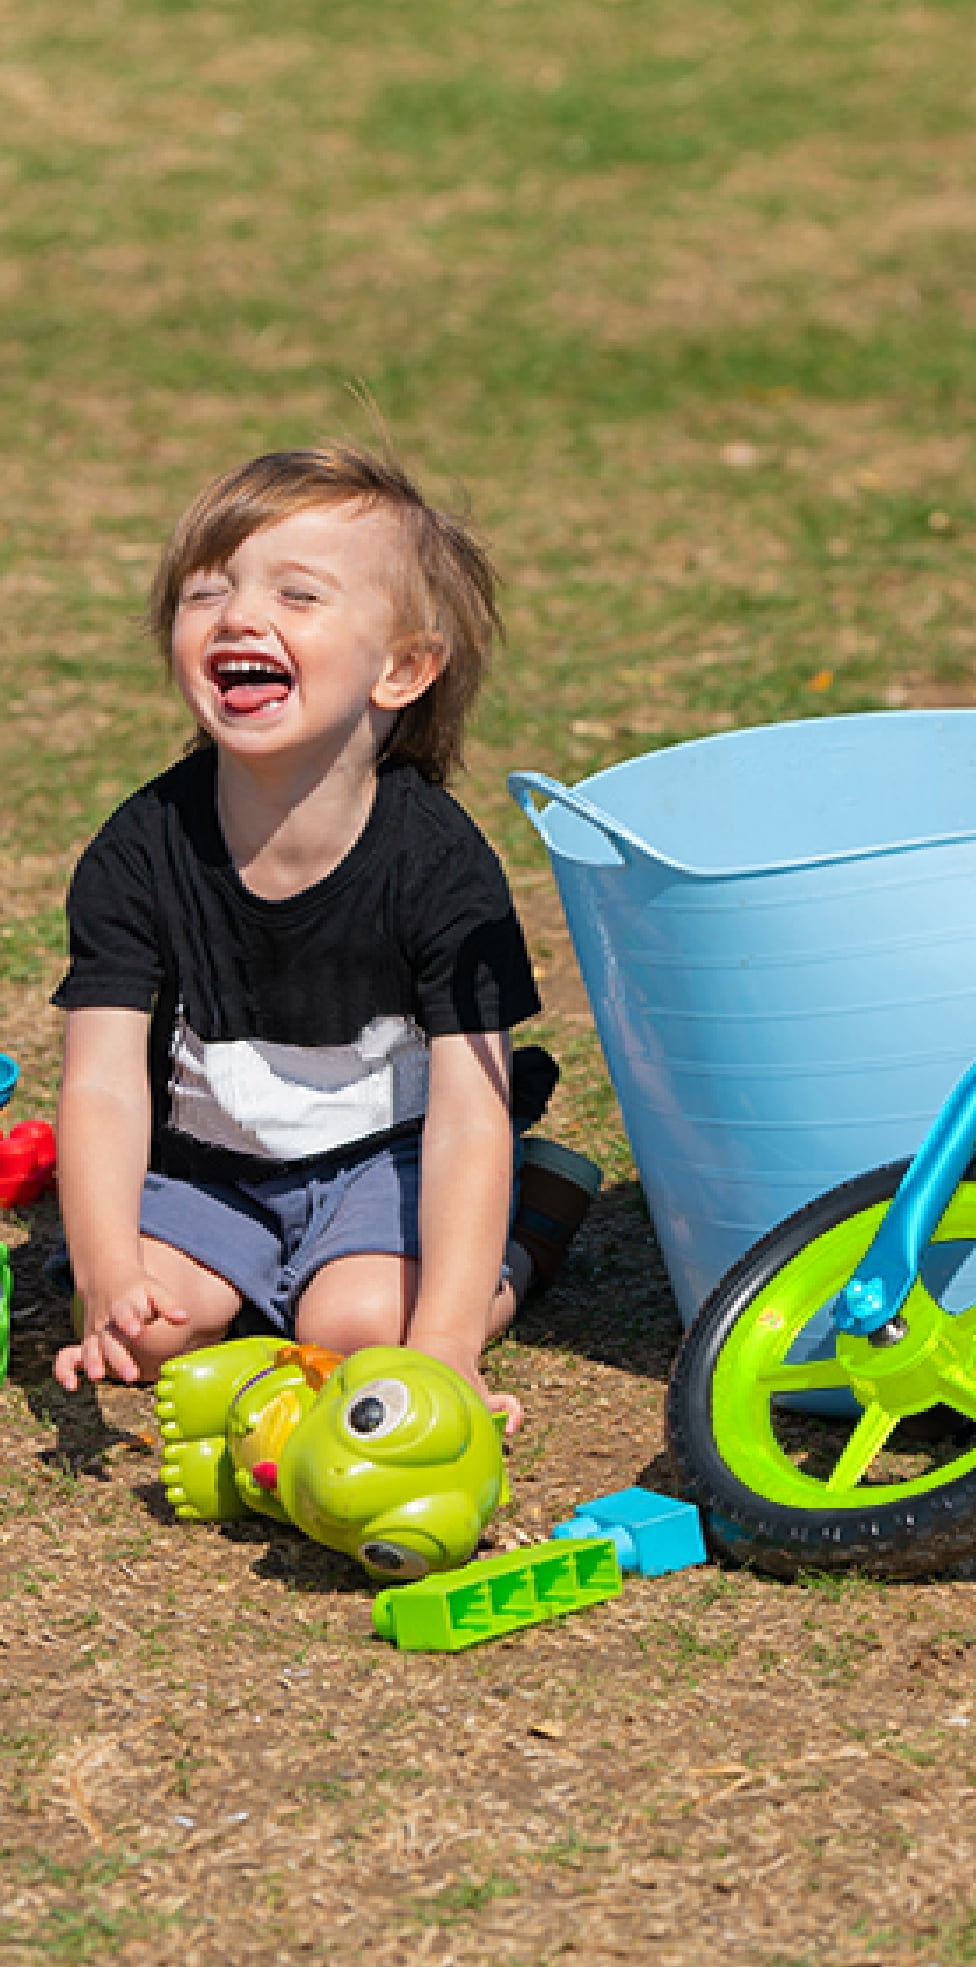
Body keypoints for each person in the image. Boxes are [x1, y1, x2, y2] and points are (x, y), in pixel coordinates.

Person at [49, 444, 597, 1430]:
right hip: (210, 1168)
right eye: (206, 592)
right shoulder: (141, 850)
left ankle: (527, 1236)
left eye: (296, 596)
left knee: (365, 1333)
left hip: (389, 1162)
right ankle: (248, 1284)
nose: (240, 617)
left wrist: (445, 1348)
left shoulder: (438, 864)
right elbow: (98, 1081)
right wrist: (106, 1270)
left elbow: (470, 1113)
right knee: (146, 1335)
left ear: (401, 668)